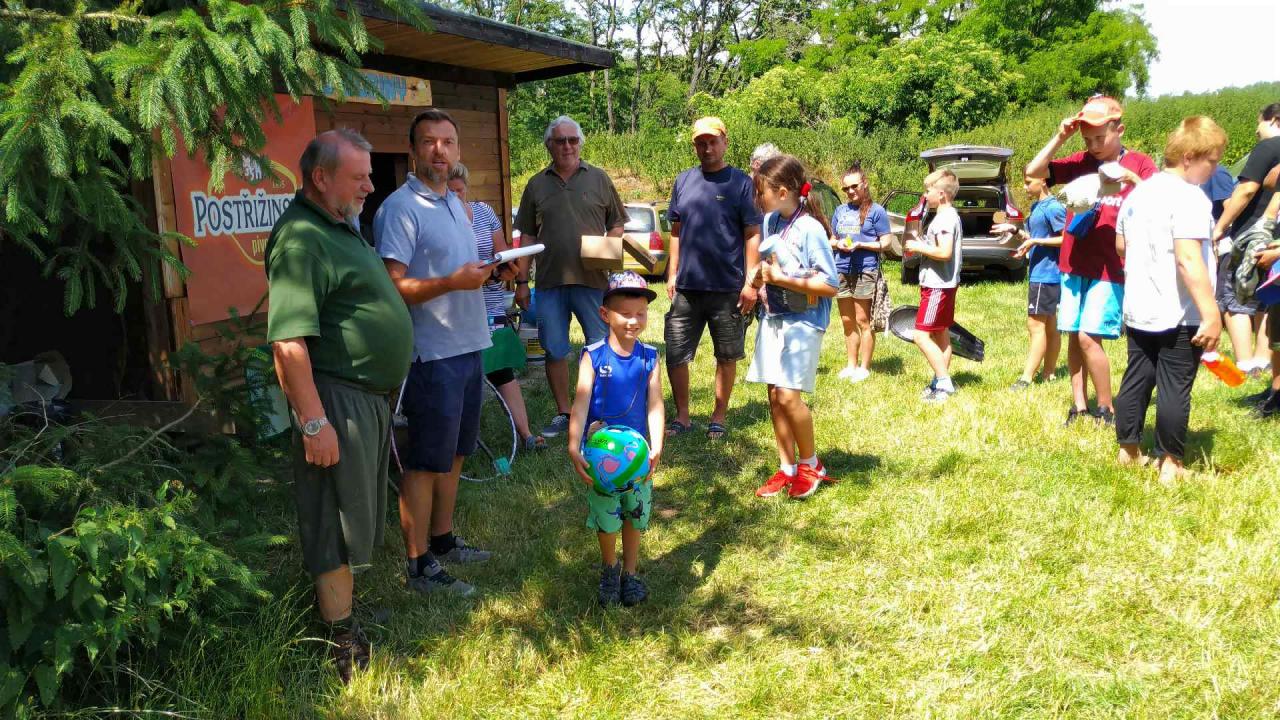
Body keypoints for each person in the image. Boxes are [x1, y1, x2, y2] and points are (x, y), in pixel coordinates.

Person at [265, 129, 414, 683]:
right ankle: (341, 642)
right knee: (332, 517)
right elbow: (288, 343)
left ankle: (344, 613)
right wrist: (314, 423)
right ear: (321, 177)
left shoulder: (337, 224)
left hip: (363, 399)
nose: (371, 187)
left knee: (354, 514)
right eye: (359, 177)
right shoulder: (301, 240)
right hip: (335, 401)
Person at [376, 108, 500, 599]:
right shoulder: (400, 208)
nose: (439, 150)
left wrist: (487, 272)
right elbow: (392, 286)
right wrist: (452, 281)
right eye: (429, 142)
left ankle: (444, 540)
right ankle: (418, 563)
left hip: (469, 344)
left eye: (448, 142)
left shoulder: (456, 203)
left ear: (458, 150)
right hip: (430, 354)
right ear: (413, 151)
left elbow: (458, 271)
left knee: (456, 453)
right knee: (425, 461)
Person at [1025, 94, 1159, 426]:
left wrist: (1132, 181)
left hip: (1109, 268)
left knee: (1089, 336)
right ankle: (1079, 406)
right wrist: (1061, 137)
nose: (1094, 146)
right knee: (1074, 333)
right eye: (1088, 140)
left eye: (1100, 138)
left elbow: (1157, 205)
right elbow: (1034, 171)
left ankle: (1106, 407)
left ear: (1119, 130)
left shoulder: (1140, 164)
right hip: (1073, 263)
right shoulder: (1082, 162)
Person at [1113, 116, 1225, 483]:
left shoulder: (1138, 194)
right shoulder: (1189, 197)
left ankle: (1129, 451)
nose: (1215, 169)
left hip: (1139, 305)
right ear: (1190, 157)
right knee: (1175, 384)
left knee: (1137, 377)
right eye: (1212, 160)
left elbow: (1121, 246)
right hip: (1178, 311)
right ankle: (1171, 465)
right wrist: (1211, 314)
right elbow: (1188, 258)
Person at [514, 115, 628, 438]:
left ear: (580, 143)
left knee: (600, 347)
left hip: (593, 281)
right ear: (549, 145)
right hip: (549, 283)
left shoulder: (599, 178)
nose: (567, 146)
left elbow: (617, 223)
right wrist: (521, 282)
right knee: (554, 349)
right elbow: (526, 236)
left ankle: (599, 412)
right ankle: (564, 412)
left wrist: (607, 249)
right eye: (560, 140)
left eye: (572, 140)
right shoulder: (536, 184)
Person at [566, 271, 664, 607]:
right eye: (625, 313)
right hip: (601, 461)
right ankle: (610, 569)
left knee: (635, 513)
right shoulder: (593, 355)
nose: (633, 321)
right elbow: (580, 403)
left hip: (637, 460)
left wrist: (657, 445)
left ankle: (630, 573)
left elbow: (655, 404)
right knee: (607, 518)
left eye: (641, 313)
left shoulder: (650, 356)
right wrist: (573, 444)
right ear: (605, 314)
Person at [746, 154, 839, 500]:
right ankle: (787, 468)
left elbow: (830, 284)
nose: (758, 198)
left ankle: (811, 465)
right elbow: (771, 265)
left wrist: (781, 278)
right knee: (774, 395)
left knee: (789, 395)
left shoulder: (811, 228)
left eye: (761, 192)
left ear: (782, 192)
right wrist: (759, 276)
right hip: (774, 316)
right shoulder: (771, 221)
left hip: (804, 321)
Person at [664, 117, 762, 439]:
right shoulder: (683, 181)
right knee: (676, 353)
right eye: (700, 143)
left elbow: (752, 233)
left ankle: (718, 416)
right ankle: (682, 416)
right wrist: (672, 272)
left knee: (727, 355)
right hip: (687, 287)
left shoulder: (741, 183)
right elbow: (676, 231)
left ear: (725, 143)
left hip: (727, 287)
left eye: (712, 142)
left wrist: (750, 283)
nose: (707, 148)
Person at [446, 162, 546, 452]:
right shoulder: (437, 219)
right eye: (450, 192)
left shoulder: (484, 212)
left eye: (460, 191)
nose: (456, 197)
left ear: (467, 188)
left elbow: (502, 253)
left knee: (501, 370)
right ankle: (462, 442)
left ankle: (526, 434)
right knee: (463, 376)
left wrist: (507, 269)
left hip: (489, 303)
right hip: (455, 308)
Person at [1212, 103, 1280, 376]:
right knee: (1268, 298)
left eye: (1259, 122)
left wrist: (1220, 227)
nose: (1256, 130)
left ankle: (1245, 363)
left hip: (1252, 234)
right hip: (1275, 239)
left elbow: (1246, 190)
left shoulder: (1268, 148)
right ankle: (1264, 360)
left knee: (1235, 298)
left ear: (1273, 120)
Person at [999, 175, 1066, 388]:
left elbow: (1067, 239)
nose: (1025, 186)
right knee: (1050, 325)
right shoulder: (1038, 206)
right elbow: (1034, 237)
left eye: (1029, 182)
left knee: (1035, 325)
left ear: (1043, 181)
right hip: (1042, 273)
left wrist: (1036, 241)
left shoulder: (1053, 208)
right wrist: (1015, 231)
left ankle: (1026, 378)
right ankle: (1049, 373)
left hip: (1046, 275)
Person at [829, 161, 893, 382]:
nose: (850, 191)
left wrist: (861, 245)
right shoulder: (840, 210)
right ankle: (851, 365)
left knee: (863, 320)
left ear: (864, 184)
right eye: (845, 188)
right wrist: (838, 244)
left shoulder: (877, 211)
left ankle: (864, 368)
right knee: (847, 320)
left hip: (866, 269)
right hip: (841, 269)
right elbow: (832, 239)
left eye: (854, 186)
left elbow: (886, 242)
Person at [906, 168, 964, 403]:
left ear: (941, 194)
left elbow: (944, 252)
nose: (924, 195)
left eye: (927, 190)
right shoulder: (949, 216)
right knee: (941, 334)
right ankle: (939, 382)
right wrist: (924, 244)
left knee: (921, 336)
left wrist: (919, 247)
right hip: (946, 284)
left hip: (937, 286)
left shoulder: (944, 219)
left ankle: (944, 383)